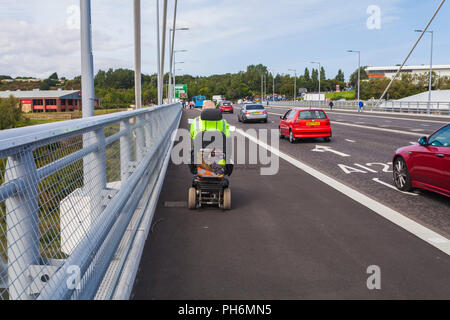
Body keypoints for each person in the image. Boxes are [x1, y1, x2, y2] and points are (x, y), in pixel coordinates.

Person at [189, 100, 233, 177]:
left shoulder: (195, 121)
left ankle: (196, 171)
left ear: (203, 109)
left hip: (200, 156)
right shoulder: (223, 122)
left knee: (191, 153)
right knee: (228, 157)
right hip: (219, 154)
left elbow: (192, 136)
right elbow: (227, 137)